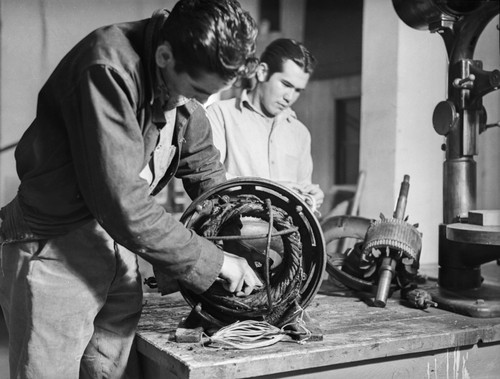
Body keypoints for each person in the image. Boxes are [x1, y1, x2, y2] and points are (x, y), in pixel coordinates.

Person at [0, 1, 262, 378]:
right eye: (198, 89)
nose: (201, 102)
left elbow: (205, 167)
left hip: (118, 247)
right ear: (164, 55)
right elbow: (122, 201)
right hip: (55, 248)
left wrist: (239, 231)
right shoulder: (106, 68)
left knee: (108, 371)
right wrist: (215, 262)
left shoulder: (181, 84)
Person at [206, 38, 324, 213]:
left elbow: (302, 192)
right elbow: (211, 181)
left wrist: (312, 197)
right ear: (262, 72)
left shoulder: (300, 133)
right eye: (286, 84)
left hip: (285, 236)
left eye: (298, 90)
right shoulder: (221, 115)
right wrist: (273, 190)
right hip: (232, 232)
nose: (290, 97)